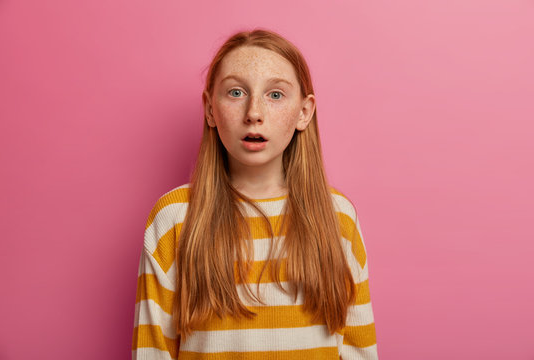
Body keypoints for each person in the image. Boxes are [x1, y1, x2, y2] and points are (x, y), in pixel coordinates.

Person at [132, 28, 378, 359]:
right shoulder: (174, 219)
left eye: (275, 95)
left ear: (304, 112)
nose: (254, 113)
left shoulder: (338, 218)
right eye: (236, 92)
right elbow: (152, 352)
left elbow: (359, 350)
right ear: (209, 109)